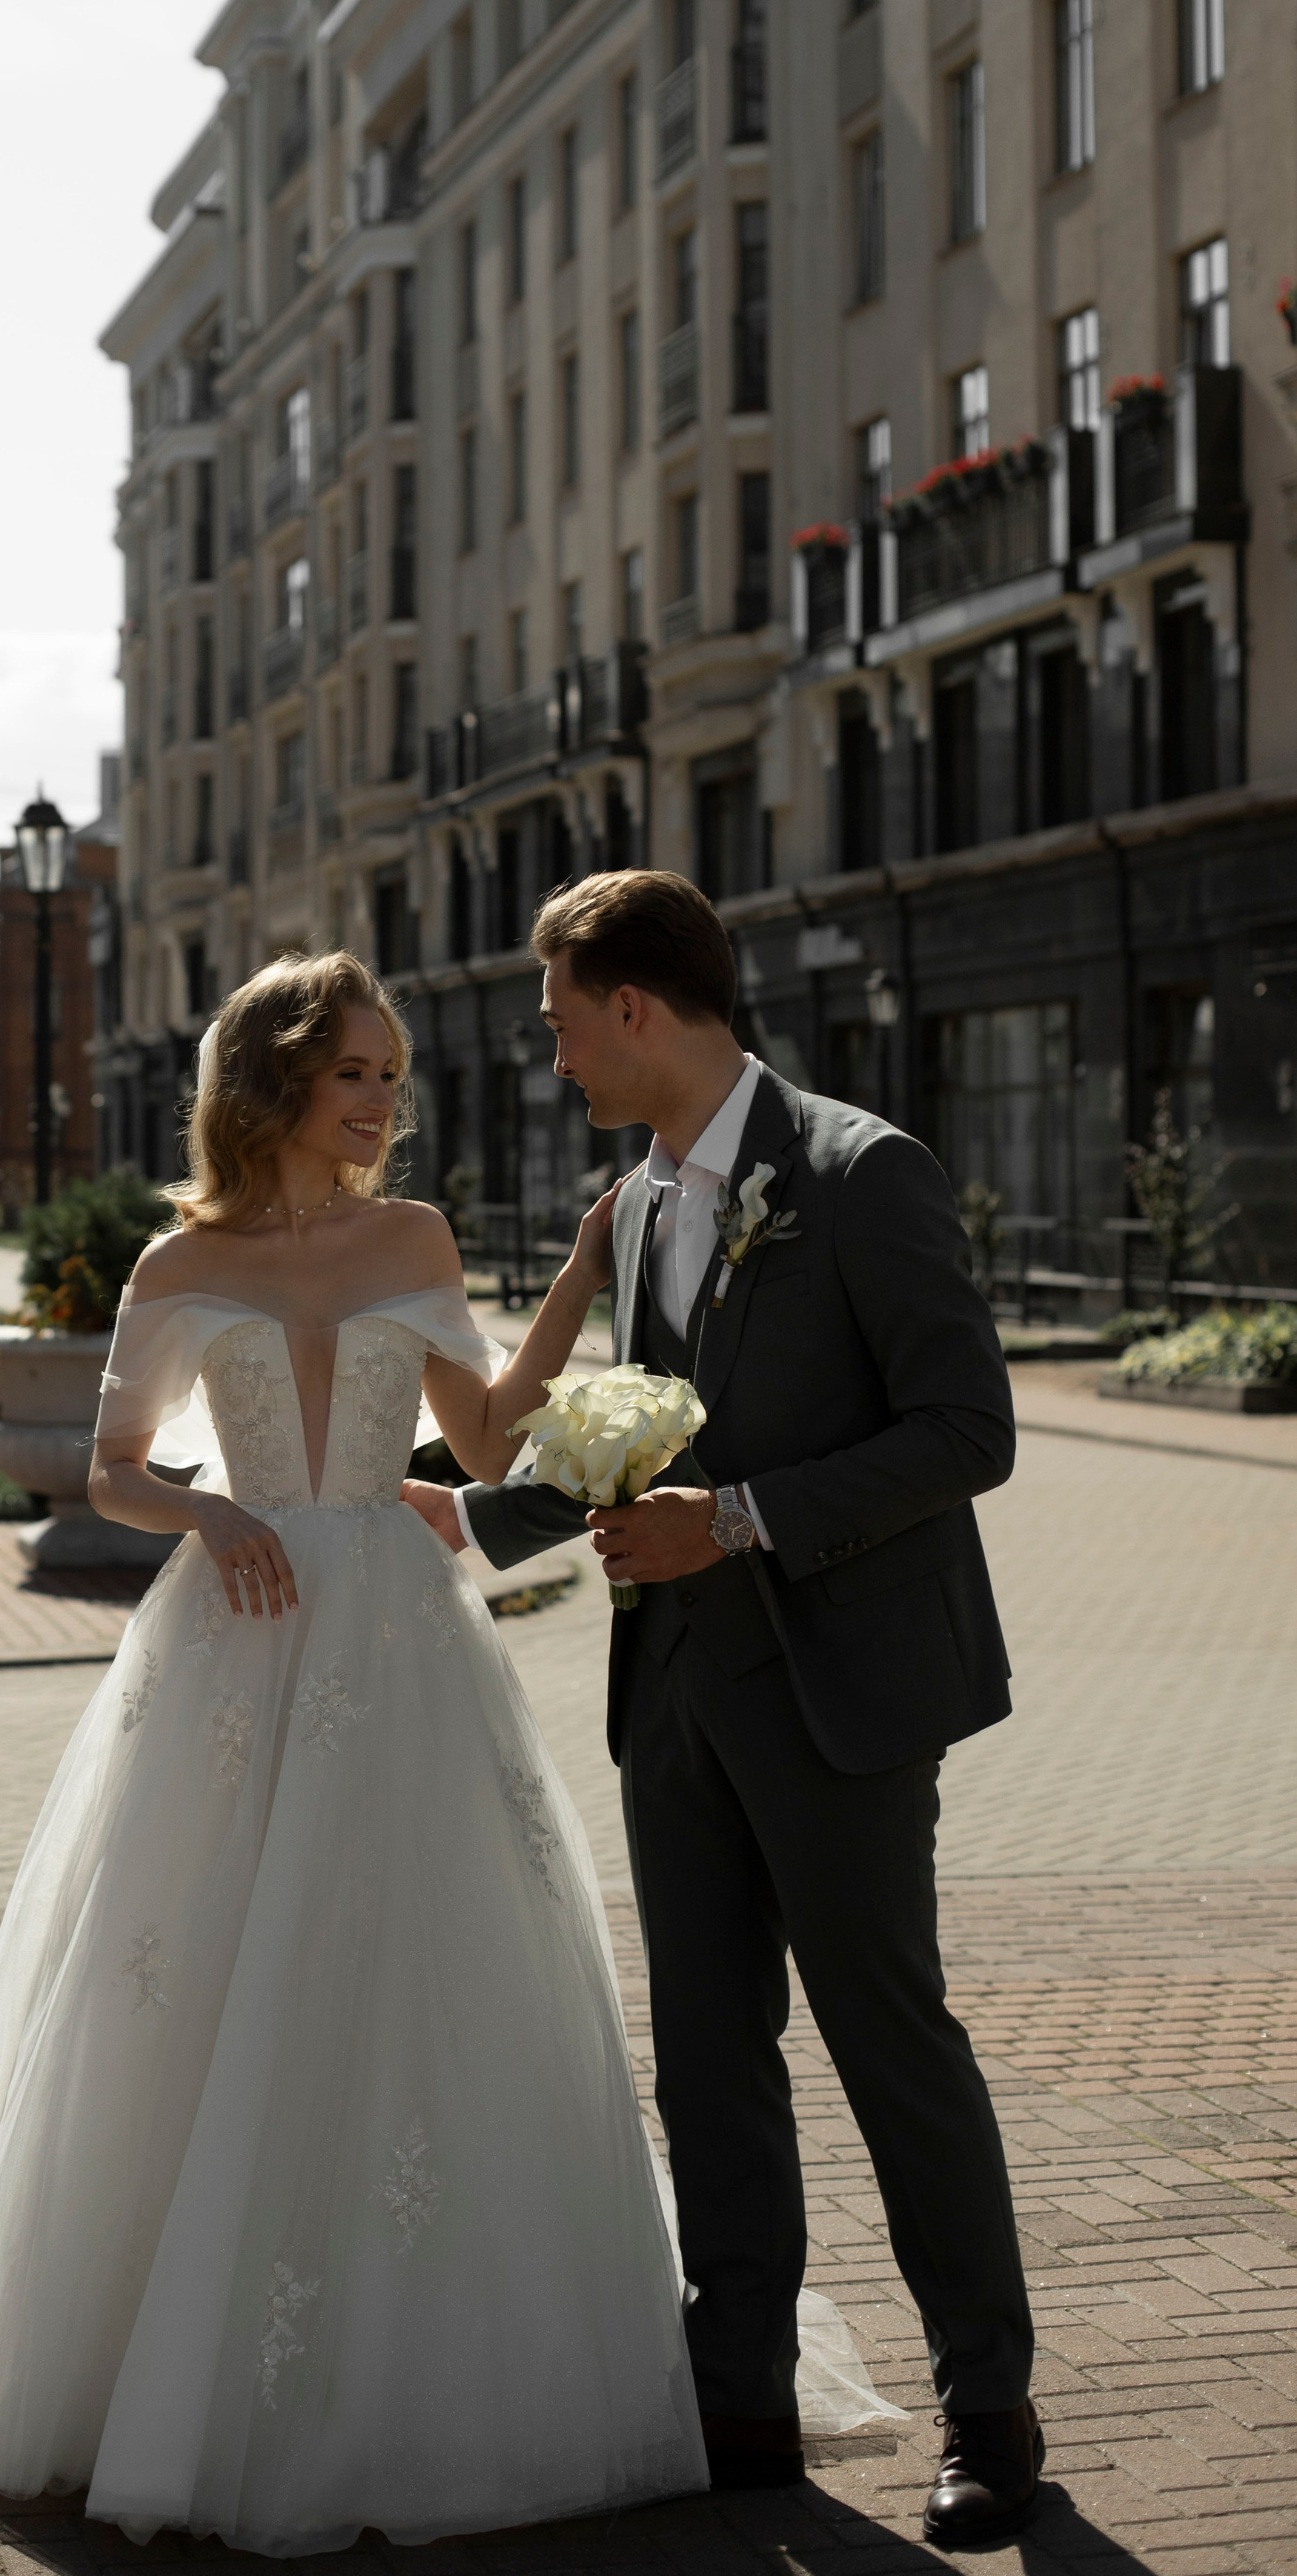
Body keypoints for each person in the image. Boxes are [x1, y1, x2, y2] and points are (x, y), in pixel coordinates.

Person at [0, 948, 888, 2556]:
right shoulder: (177, 1259)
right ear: (274, 1076)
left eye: (390, 1078)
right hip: (234, 1636)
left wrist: (578, 1276)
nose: (378, 1103)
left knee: (417, 1968)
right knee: (200, 1968)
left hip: (399, 1638)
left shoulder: (413, 1237)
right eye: (353, 1072)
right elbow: (112, 1466)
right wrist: (210, 1514)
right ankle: (174, 2373)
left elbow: (482, 1442)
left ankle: (429, 2370)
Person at [404, 869, 1041, 2552]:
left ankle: (990, 2410)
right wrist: (458, 1521)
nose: (552, 1056)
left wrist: (741, 1522)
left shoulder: (861, 1171)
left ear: (634, 1008)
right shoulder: (634, 1207)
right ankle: (738, 2392)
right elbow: (637, 1433)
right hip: (674, 1690)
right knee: (705, 2056)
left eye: (561, 1024)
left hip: (840, 1694)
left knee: (889, 2044)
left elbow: (966, 1431)